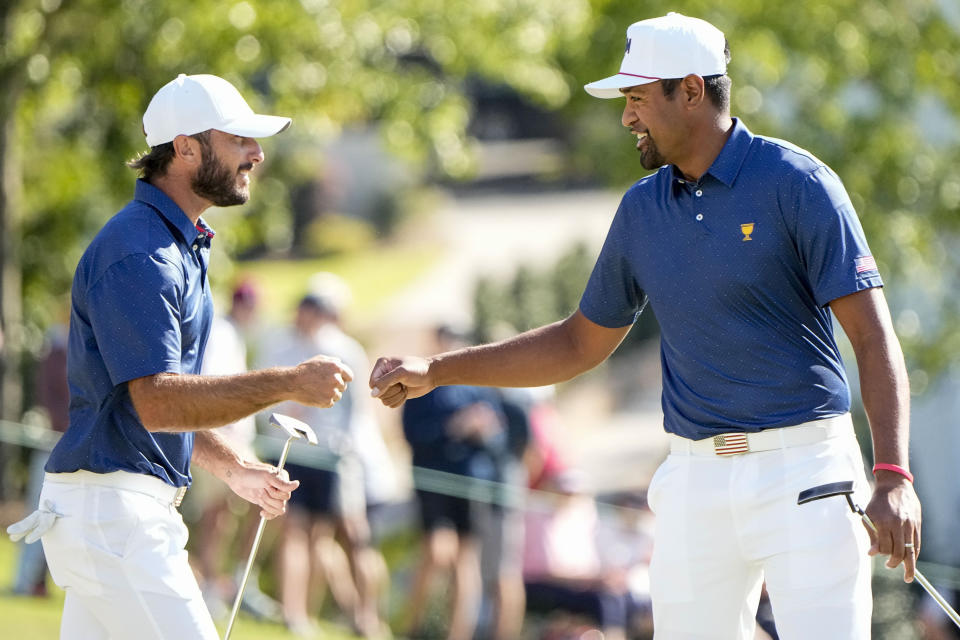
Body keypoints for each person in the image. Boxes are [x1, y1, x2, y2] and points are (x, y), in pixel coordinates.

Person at [370, 13, 921, 640]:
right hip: (693, 480)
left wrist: (893, 474)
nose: (628, 117)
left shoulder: (798, 184)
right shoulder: (642, 209)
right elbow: (579, 342)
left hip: (806, 471)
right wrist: (438, 371)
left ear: (690, 91)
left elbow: (873, 338)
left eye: (637, 99)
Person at [5, 73, 353, 640]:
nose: (257, 154)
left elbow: (144, 401)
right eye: (238, 139)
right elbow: (159, 403)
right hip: (114, 519)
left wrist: (233, 468)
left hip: (112, 514)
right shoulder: (141, 253)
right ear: (186, 148)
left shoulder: (171, 245)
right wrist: (290, 381)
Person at [260, 279, 391, 638]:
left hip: (334, 454)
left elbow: (357, 412)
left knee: (338, 535)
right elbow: (260, 398)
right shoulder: (279, 343)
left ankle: (364, 617)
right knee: (295, 532)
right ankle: (294, 614)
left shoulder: (345, 350)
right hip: (289, 450)